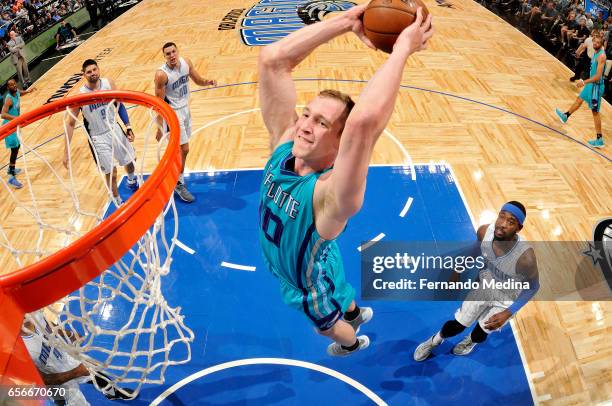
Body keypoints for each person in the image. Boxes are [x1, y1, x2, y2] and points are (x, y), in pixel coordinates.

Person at [257, 5, 433, 356]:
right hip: (318, 252)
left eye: (321, 123)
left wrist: (403, 49)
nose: (304, 125)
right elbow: (272, 59)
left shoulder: (330, 195)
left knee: (327, 326)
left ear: (340, 144)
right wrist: (347, 22)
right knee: (338, 277)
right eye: (306, 114)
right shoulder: (284, 146)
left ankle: (352, 342)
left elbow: (363, 124)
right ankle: (357, 311)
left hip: (300, 281)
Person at [414, 201, 540, 360]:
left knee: (481, 331)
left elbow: (534, 287)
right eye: (502, 216)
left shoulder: (525, 258)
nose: (502, 224)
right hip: (486, 285)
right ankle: (434, 341)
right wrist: (457, 270)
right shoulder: (484, 232)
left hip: (508, 296)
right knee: (459, 324)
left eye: (511, 222)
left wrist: (508, 312)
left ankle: (471, 342)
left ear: (518, 228)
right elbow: (475, 251)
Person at [63, 59, 138, 205]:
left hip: (114, 128)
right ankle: (117, 201)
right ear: (83, 74)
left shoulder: (108, 84)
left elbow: (119, 104)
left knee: (131, 160)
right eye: (89, 72)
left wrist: (128, 126)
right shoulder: (80, 96)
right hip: (97, 137)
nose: (92, 73)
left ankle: (131, 179)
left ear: (98, 69)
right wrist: (66, 152)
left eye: (94, 70)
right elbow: (70, 123)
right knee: (112, 173)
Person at [22, 310, 135, 404]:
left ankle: (112, 394)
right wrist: (77, 372)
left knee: (98, 375)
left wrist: (70, 334)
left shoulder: (32, 313)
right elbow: (44, 381)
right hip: (57, 385)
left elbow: (49, 326)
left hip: (63, 357)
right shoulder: (19, 349)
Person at [154, 42, 216, 203]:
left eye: (173, 52)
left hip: (185, 109)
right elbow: (159, 103)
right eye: (168, 54)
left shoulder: (186, 63)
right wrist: (159, 127)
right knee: (185, 148)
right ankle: (179, 183)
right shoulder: (161, 75)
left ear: (178, 51)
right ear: (164, 57)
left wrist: (207, 81)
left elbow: (197, 80)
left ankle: (174, 173)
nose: (172, 55)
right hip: (172, 114)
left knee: (180, 149)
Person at [556, 33, 606, 148]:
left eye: (598, 43)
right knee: (579, 99)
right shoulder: (595, 51)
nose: (595, 44)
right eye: (595, 41)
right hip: (591, 85)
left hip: (596, 87)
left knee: (595, 112)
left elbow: (598, 76)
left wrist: (584, 81)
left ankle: (599, 139)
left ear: (601, 44)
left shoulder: (601, 56)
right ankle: (566, 115)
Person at [1, 78, 35, 189]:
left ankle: (11, 168)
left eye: (15, 84)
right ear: (8, 87)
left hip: (15, 125)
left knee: (17, 146)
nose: (14, 86)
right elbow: (3, 114)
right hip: (8, 126)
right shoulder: (9, 99)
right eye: (11, 85)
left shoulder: (16, 92)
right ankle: (11, 176)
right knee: (15, 149)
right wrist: (16, 118)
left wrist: (28, 91)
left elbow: (20, 92)